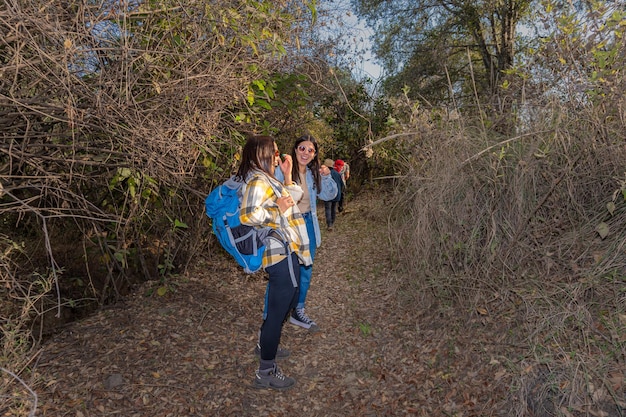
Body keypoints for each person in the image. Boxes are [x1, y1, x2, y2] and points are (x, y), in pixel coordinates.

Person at [236, 134, 312, 390]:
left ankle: (264, 346)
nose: (279, 156)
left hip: (286, 248)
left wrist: (287, 176)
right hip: (278, 252)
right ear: (261, 154)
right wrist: (276, 209)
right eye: (275, 153)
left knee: (288, 300)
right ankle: (265, 370)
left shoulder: (267, 178)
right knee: (280, 308)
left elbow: (290, 202)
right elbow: (248, 215)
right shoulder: (257, 180)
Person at [274, 134, 337, 332]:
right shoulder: (281, 170)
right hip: (287, 225)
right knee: (282, 271)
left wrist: (326, 177)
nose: (306, 153)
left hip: (308, 224)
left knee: (305, 270)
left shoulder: (313, 174)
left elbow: (329, 195)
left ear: (314, 154)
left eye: (310, 150)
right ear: (295, 149)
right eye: (302, 148)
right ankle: (273, 316)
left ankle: (298, 310)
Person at [323, 159, 344, 231]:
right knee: (333, 208)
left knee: (328, 209)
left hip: (327, 195)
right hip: (336, 194)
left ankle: (329, 225)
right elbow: (341, 184)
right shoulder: (337, 173)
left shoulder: (324, 174)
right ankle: (332, 222)